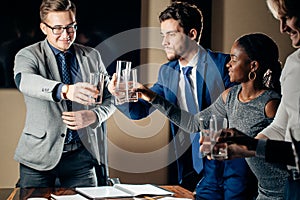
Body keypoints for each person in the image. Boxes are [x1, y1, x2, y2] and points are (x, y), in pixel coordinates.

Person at [109, 1, 251, 198]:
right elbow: (138, 111)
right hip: (189, 167)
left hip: (228, 166)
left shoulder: (224, 66)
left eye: (171, 34)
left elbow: (241, 116)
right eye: (162, 35)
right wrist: (120, 96)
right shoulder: (167, 72)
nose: (164, 42)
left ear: (192, 34)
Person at [133, 32, 287, 200]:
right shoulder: (229, 97)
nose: (228, 64)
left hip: (286, 191)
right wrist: (151, 97)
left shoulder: (271, 104)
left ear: (253, 66)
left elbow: (286, 153)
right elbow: (192, 123)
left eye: (234, 59)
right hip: (263, 192)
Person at [13, 0, 115, 188]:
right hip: (38, 160)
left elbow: (110, 98)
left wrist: (94, 115)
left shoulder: (92, 56)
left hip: (82, 159)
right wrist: (66, 90)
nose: (66, 35)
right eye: (57, 28)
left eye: (70, 27)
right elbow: (25, 82)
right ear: (44, 28)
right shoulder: (27, 55)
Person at [215, 0, 300, 199]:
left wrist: (253, 146)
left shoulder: (269, 101)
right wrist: (243, 144)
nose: (282, 28)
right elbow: (280, 127)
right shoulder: (294, 64)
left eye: (287, 17)